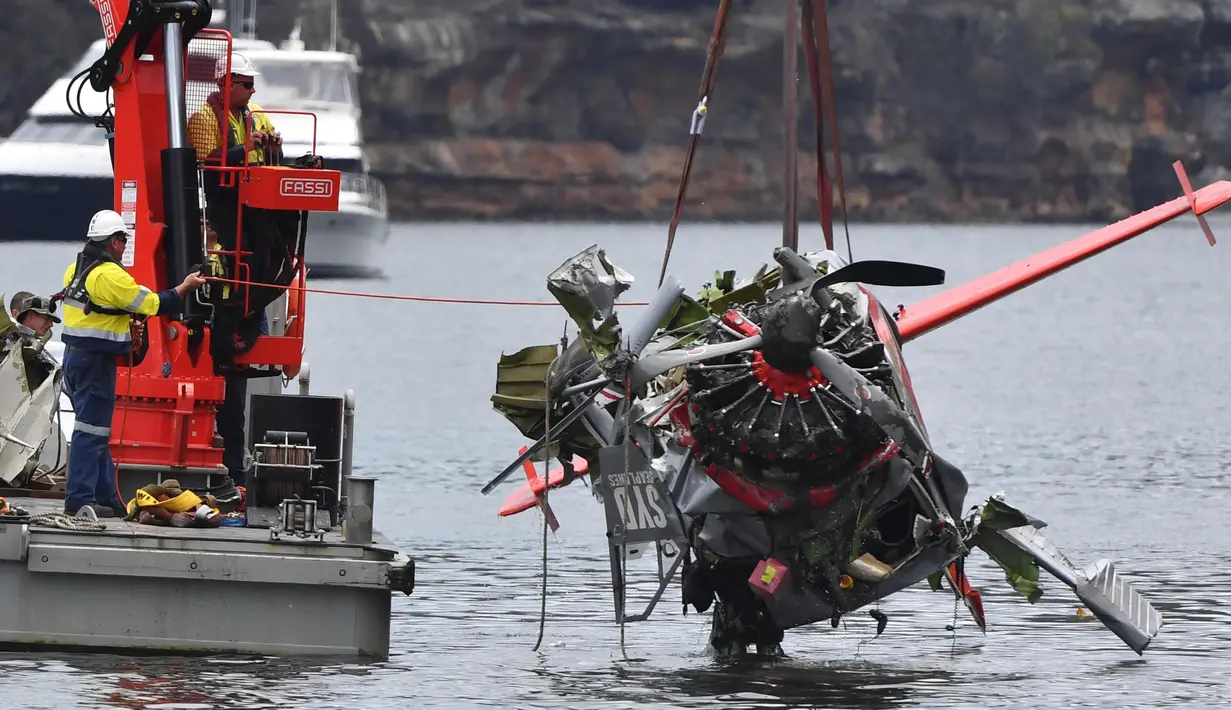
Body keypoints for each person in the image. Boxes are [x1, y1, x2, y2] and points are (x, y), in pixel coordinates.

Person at [59, 209, 209, 518]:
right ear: (113, 242)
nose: (125, 246)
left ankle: (107, 500)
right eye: (122, 240)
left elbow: (99, 309)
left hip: (75, 360)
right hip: (96, 365)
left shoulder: (75, 269)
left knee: (96, 432)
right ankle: (77, 501)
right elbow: (152, 302)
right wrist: (184, 287)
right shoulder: (111, 275)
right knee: (90, 434)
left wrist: (127, 323)